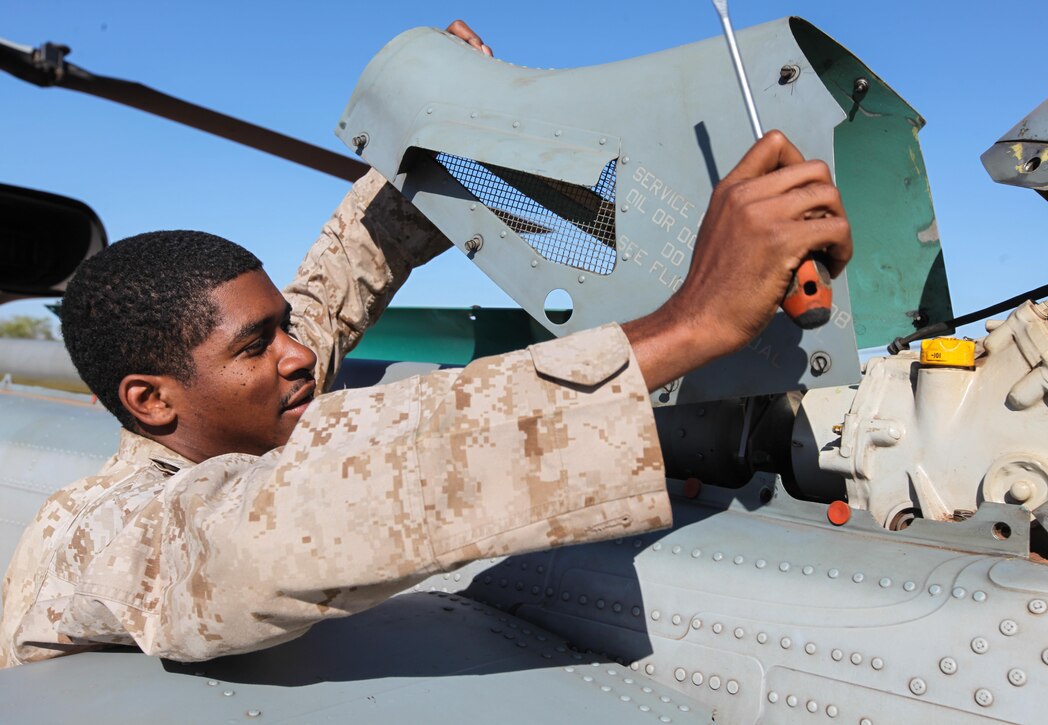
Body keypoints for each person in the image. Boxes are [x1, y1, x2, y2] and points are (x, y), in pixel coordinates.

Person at [0, 47, 851, 664]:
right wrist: (689, 325)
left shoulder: (241, 399)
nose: (301, 354)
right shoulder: (97, 533)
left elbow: (340, 283)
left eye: (285, 328)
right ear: (151, 401)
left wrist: (446, 134)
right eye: (258, 345)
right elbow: (265, 528)